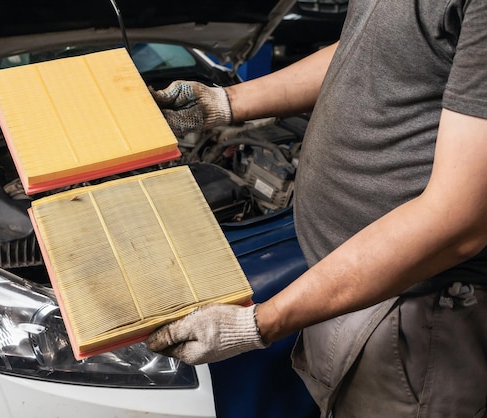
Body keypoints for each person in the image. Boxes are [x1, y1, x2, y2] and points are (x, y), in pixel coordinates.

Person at [146, 0, 487, 416]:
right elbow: (368, 52)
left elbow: (458, 222)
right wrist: (223, 102)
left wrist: (258, 322)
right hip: (339, 281)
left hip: (414, 314)